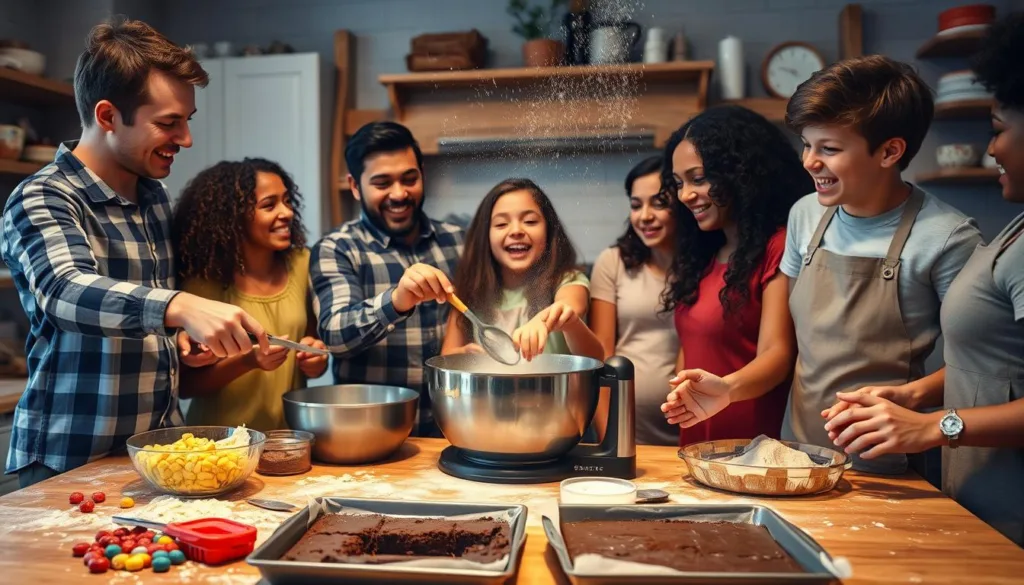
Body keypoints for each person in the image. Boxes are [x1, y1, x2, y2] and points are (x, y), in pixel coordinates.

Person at [0, 19, 271, 488]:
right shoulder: (43, 196)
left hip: (158, 457)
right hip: (66, 461)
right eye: (168, 123)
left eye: (187, 120)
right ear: (107, 116)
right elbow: (64, 291)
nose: (185, 139)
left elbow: (143, 318)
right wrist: (179, 307)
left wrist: (180, 342)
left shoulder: (155, 198)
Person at [823, 13, 1024, 545]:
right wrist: (915, 394)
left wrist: (936, 426)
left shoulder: (954, 234)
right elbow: (991, 367)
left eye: (1000, 131)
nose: (991, 150)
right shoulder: (1014, 233)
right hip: (979, 501)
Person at [777, 55, 983, 475]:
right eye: (806, 144)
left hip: (887, 465)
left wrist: (913, 397)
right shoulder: (804, 214)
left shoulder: (947, 237)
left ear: (890, 151)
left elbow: (984, 369)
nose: (809, 162)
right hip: (796, 455)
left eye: (828, 149)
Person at [658, 105, 810, 445]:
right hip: (698, 442)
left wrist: (725, 389)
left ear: (741, 174)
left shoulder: (779, 246)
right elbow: (692, 346)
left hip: (755, 447)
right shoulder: (703, 256)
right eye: (678, 183)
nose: (685, 195)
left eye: (699, 179)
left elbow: (777, 354)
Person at [311, 121, 462, 436]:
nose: (399, 194)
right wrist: (397, 301)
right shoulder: (338, 248)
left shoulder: (458, 241)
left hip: (453, 433)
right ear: (355, 186)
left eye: (410, 179)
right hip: (372, 440)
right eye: (382, 183)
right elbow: (335, 336)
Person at [172, 158, 328, 430]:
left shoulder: (305, 264)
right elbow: (185, 386)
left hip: (288, 442)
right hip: (218, 447)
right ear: (232, 217)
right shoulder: (200, 286)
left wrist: (315, 360)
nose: (287, 213)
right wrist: (249, 360)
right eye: (269, 205)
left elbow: (311, 343)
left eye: (288, 201)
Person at [441, 178, 603, 362]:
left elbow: (569, 306)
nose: (516, 231)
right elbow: (446, 358)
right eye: (501, 224)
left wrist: (546, 321)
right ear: (485, 237)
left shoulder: (568, 280)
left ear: (549, 231)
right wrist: (463, 356)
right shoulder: (470, 292)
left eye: (530, 221)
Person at [589, 156, 680, 445]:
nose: (645, 216)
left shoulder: (707, 268)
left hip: (693, 431)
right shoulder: (612, 262)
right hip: (627, 431)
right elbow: (600, 357)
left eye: (659, 203)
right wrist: (611, 440)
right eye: (636, 204)